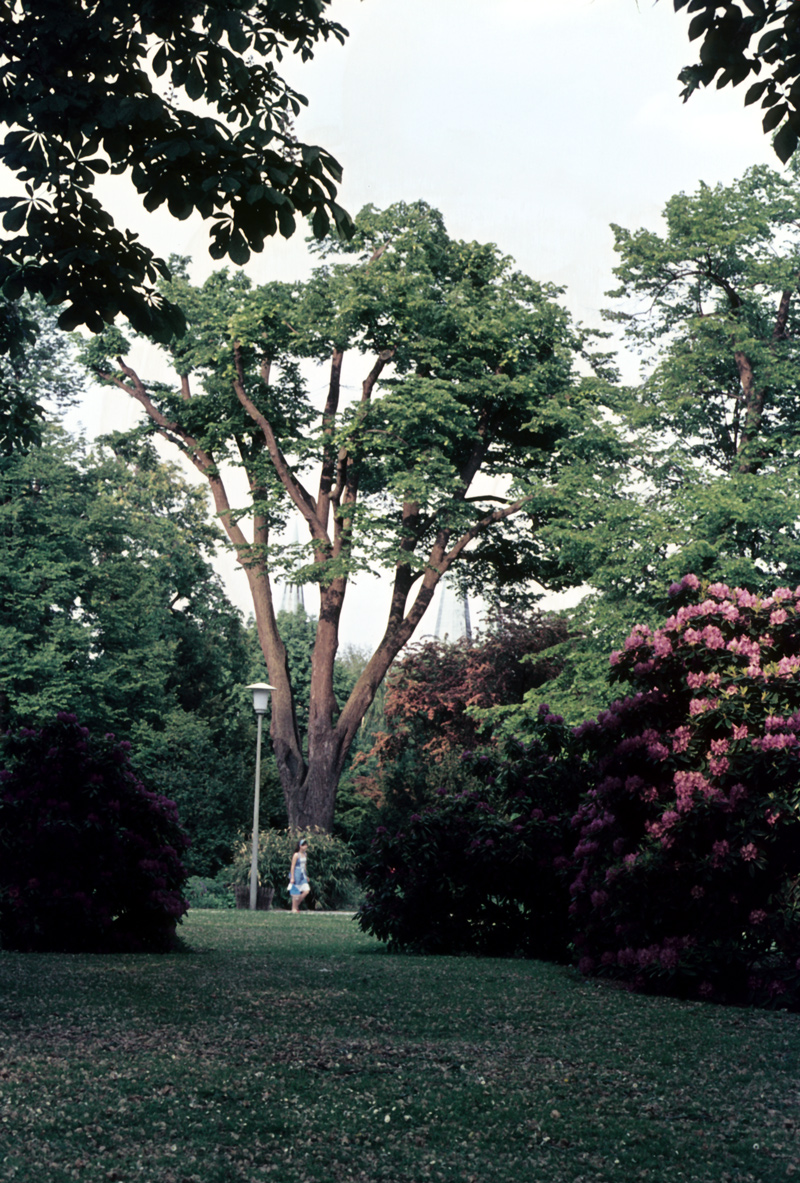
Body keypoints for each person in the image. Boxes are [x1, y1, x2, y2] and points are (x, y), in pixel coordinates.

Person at [288, 838, 310, 912]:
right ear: (300, 846)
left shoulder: (305, 854)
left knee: (306, 890)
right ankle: (294, 908)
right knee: (296, 891)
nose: (306, 846)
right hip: (297, 873)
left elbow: (305, 865)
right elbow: (292, 866)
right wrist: (292, 877)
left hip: (303, 873)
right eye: (304, 845)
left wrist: (306, 875)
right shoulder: (296, 855)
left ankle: (296, 905)